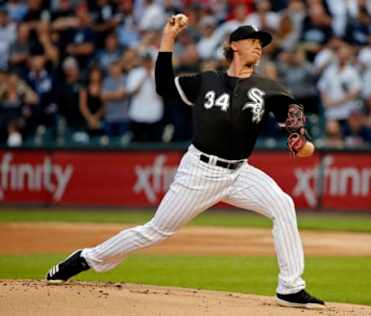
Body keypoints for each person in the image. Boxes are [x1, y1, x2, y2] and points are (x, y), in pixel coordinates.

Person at [45, 16, 324, 309]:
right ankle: (86, 257)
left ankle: (290, 287)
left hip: (240, 172)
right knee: (154, 232)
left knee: (283, 205)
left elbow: (297, 130)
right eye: (253, 41)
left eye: (261, 43)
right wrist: (168, 39)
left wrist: (302, 143)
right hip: (200, 172)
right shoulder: (206, 81)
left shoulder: (268, 89)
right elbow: (164, 86)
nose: (259, 47)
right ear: (233, 46)